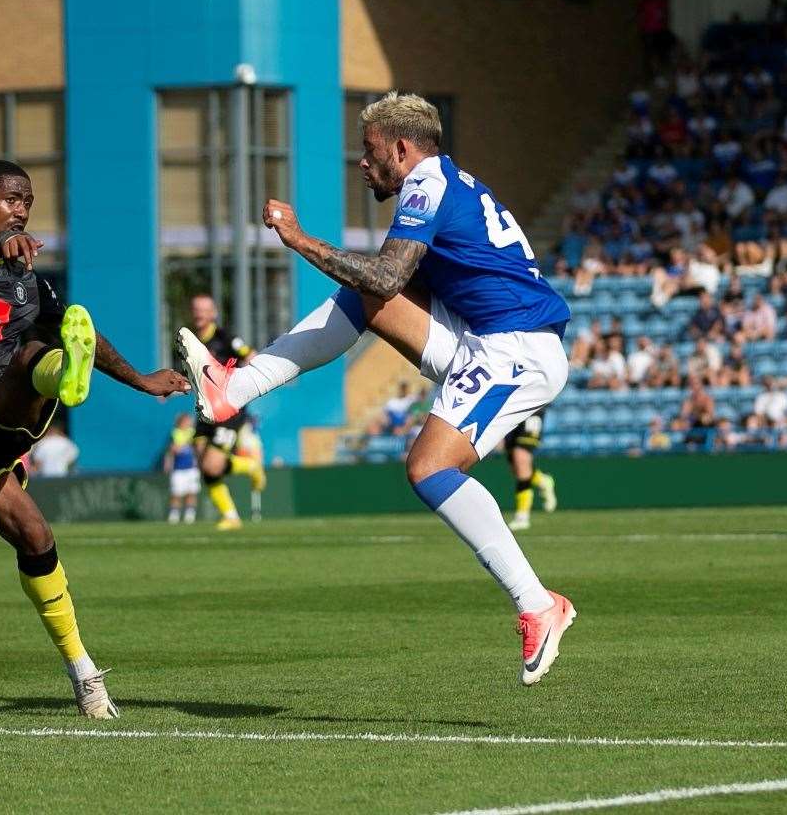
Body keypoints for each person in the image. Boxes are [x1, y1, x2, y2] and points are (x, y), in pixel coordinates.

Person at [178, 91, 576, 685]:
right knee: (365, 295)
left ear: (400, 148)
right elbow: (383, 286)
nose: (362, 164)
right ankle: (234, 388)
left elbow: (389, 273)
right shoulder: (446, 183)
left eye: (368, 152)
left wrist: (301, 239)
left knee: (428, 468)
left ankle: (537, 603)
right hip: (482, 338)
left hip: (514, 347)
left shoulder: (426, 185)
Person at [0, 159, 188, 718]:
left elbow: (90, 336)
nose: (22, 209)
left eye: (28, 200)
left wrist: (143, 381)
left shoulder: (27, 279)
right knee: (31, 534)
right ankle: (55, 373)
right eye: (11, 198)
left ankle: (83, 673)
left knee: (35, 354)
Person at [185, 294, 265, 530]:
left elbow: (252, 357)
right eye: (196, 309)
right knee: (203, 463)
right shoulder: (191, 341)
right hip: (204, 409)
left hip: (228, 410)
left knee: (212, 465)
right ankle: (230, 516)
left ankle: (250, 466)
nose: (199, 313)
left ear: (214, 313)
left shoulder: (226, 339)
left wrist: (243, 383)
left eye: (204, 309)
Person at [504, 410, 557, 531]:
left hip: (532, 408)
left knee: (521, 458)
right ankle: (542, 480)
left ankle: (522, 517)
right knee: (516, 467)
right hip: (510, 406)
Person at [164, 412, 200, 523]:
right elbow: (172, 450)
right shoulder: (175, 433)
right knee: (176, 493)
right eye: (186, 420)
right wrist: (168, 463)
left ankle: (190, 516)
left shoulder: (193, 433)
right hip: (178, 469)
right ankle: (174, 516)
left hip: (192, 468)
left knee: (192, 492)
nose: (189, 422)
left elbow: (198, 448)